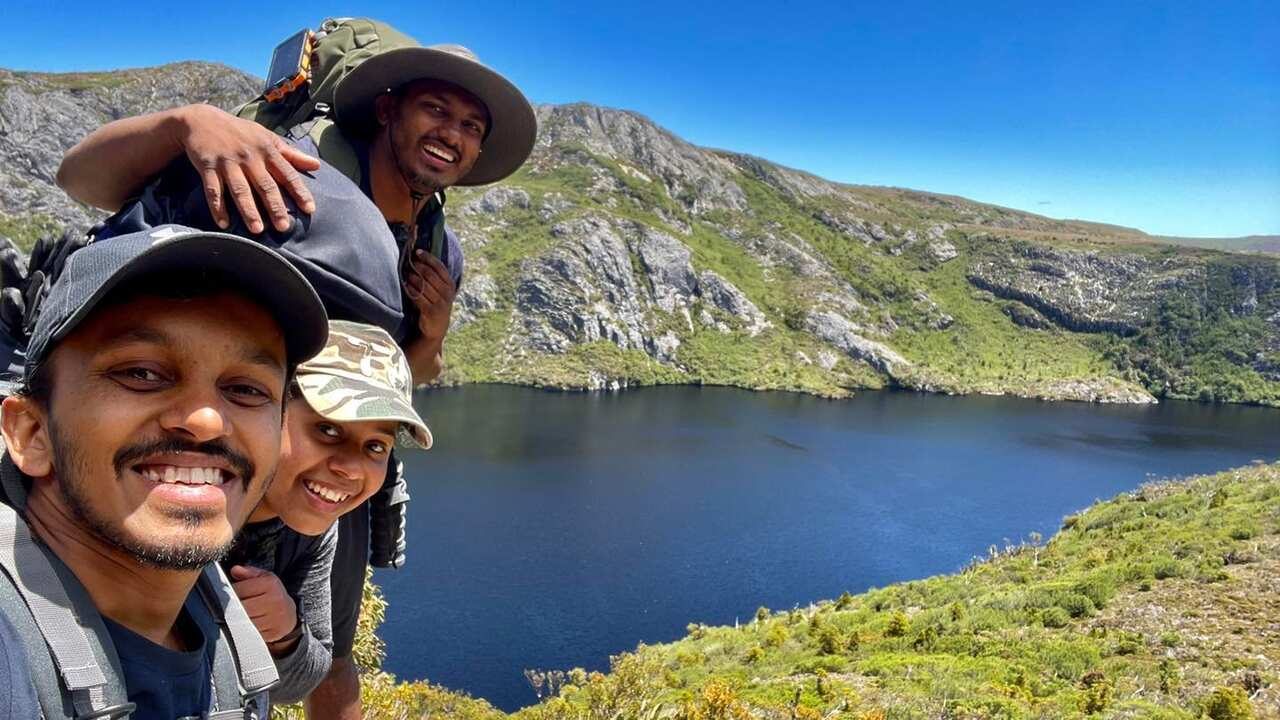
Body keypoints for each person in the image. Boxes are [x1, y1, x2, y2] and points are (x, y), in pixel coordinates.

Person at [57, 28, 536, 719]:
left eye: (470, 126)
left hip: (321, 458)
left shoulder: (436, 248)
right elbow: (80, 181)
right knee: (143, 628)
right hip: (218, 440)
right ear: (387, 109)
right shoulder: (296, 173)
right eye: (436, 109)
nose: (451, 134)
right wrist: (188, 124)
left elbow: (406, 379)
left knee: (324, 649)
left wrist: (432, 333)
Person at [0, 224, 328, 719]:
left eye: (246, 389)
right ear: (31, 433)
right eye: (141, 373)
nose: (204, 420)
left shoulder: (223, 627)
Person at [222, 319, 433, 704]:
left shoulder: (315, 530)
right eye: (328, 430)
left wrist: (286, 634)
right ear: (271, 407)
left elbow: (300, 684)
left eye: (375, 447)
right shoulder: (194, 507)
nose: (351, 468)